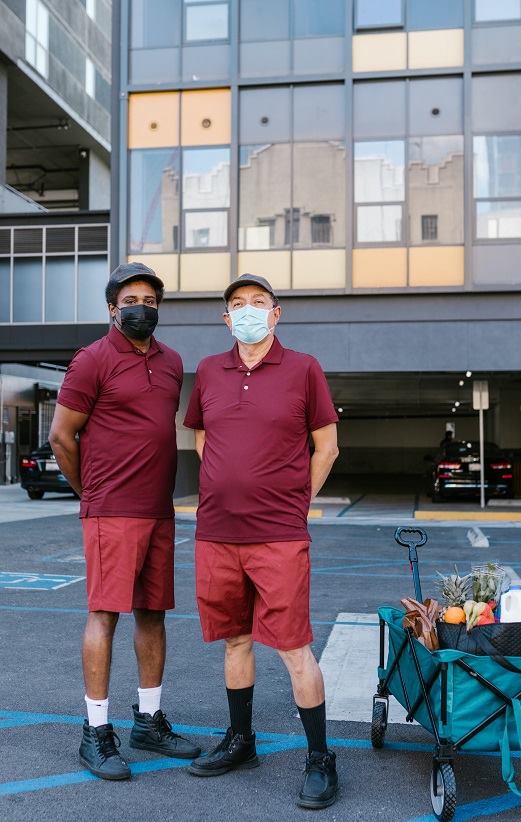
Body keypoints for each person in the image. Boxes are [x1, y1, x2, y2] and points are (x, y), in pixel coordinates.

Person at [183, 273, 340, 809]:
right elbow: (201, 434)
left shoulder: (304, 369)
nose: (247, 311)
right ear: (226, 320)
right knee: (235, 639)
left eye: (258, 302)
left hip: (279, 535)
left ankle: (321, 757)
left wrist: (297, 501)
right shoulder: (208, 371)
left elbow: (327, 447)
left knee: (294, 648)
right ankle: (241, 740)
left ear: (276, 314)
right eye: (237, 305)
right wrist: (226, 480)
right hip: (218, 532)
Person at [49, 262, 200, 781]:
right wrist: (89, 492)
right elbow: (61, 436)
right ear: (113, 309)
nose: (144, 308)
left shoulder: (172, 361)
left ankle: (149, 721)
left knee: (153, 613)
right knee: (106, 615)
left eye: (152, 300)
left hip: (159, 508)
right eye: (133, 299)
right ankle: (95, 730)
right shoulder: (91, 360)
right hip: (111, 509)